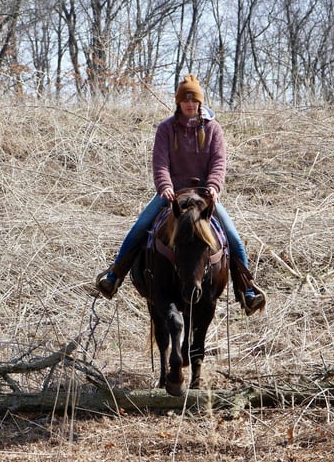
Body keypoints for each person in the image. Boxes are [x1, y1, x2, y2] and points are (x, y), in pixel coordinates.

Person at [95, 74, 265, 315]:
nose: (189, 104)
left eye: (194, 100)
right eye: (185, 100)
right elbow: (160, 163)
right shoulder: (166, 129)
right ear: (178, 102)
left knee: (233, 238)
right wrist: (164, 186)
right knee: (140, 227)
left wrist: (214, 187)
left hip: (205, 196)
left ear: (199, 102)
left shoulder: (214, 129)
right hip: (172, 195)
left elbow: (218, 162)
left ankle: (247, 290)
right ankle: (114, 276)